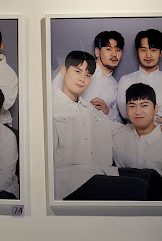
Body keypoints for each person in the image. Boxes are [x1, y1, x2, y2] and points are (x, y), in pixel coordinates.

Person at [52, 50, 122, 199]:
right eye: (78, 71)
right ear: (64, 70)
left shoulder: (88, 108)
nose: (82, 79)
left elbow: (112, 127)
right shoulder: (50, 108)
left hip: (94, 175)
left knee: (149, 177)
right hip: (68, 183)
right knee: (139, 187)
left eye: (88, 75)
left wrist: (146, 128)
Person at [113, 83, 162, 193]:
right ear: (126, 110)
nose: (138, 111)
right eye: (132, 106)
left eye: (144, 105)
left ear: (155, 109)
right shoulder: (118, 136)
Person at [117, 29, 162, 140]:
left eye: (153, 50)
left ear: (161, 52)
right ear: (137, 52)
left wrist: (150, 111)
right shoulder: (126, 80)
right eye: (143, 50)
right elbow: (125, 113)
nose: (148, 55)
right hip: (135, 142)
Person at [52, 30, 124, 122]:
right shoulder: (74, 70)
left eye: (118, 50)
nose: (114, 54)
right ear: (97, 52)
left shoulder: (116, 87)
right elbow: (50, 99)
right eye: (109, 49)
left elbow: (119, 123)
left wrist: (108, 111)